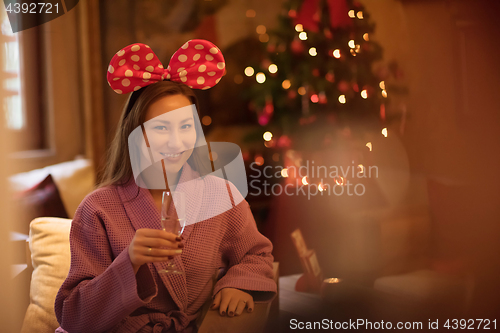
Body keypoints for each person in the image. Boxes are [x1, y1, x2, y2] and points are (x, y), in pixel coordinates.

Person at [54, 40, 277, 333]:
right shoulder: (97, 209)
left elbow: (256, 254)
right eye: (161, 128)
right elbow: (74, 316)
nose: (176, 142)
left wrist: (237, 284)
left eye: (185, 126)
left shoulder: (220, 196)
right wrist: (129, 262)